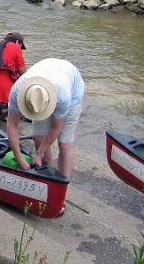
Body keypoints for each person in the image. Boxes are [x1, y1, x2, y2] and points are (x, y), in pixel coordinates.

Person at [6, 58, 85, 188]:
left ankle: (61, 187)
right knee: (38, 137)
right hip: (48, 74)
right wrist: (19, 157)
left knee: (64, 143)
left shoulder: (63, 96)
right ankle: (47, 175)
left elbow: (55, 128)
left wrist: (39, 154)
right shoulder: (17, 91)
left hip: (72, 92)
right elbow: (12, 126)